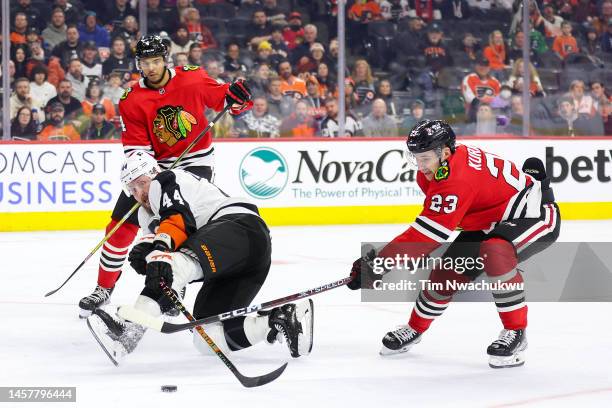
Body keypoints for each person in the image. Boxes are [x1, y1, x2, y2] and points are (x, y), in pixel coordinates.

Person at [347, 120, 560, 368]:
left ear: (445, 152)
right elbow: (433, 227)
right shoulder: (439, 168)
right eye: (416, 157)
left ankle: (516, 333)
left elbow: (428, 235)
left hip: (534, 215)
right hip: (490, 220)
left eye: (425, 157)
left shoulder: (456, 179)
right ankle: (414, 328)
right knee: (445, 274)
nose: (420, 165)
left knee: (496, 249)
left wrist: (379, 264)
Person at [77, 35, 253, 318]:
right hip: (152, 167)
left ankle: (175, 285)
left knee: (176, 224)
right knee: (120, 225)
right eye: (146, 62)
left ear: (166, 60)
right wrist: (154, 176)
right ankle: (103, 289)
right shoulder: (131, 100)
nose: (152, 67)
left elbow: (227, 102)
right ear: (139, 64)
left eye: (156, 61)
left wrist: (239, 99)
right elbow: (136, 149)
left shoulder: (192, 79)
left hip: (195, 164)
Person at [86, 152, 314, 364]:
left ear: (153, 173)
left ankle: (129, 333)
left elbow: (176, 221)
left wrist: (159, 253)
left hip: (240, 228)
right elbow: (160, 253)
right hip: (244, 259)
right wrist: (145, 255)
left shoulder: (164, 180)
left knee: (168, 264)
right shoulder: (145, 214)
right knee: (207, 338)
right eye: (132, 188)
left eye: (141, 183)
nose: (139, 192)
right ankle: (279, 320)